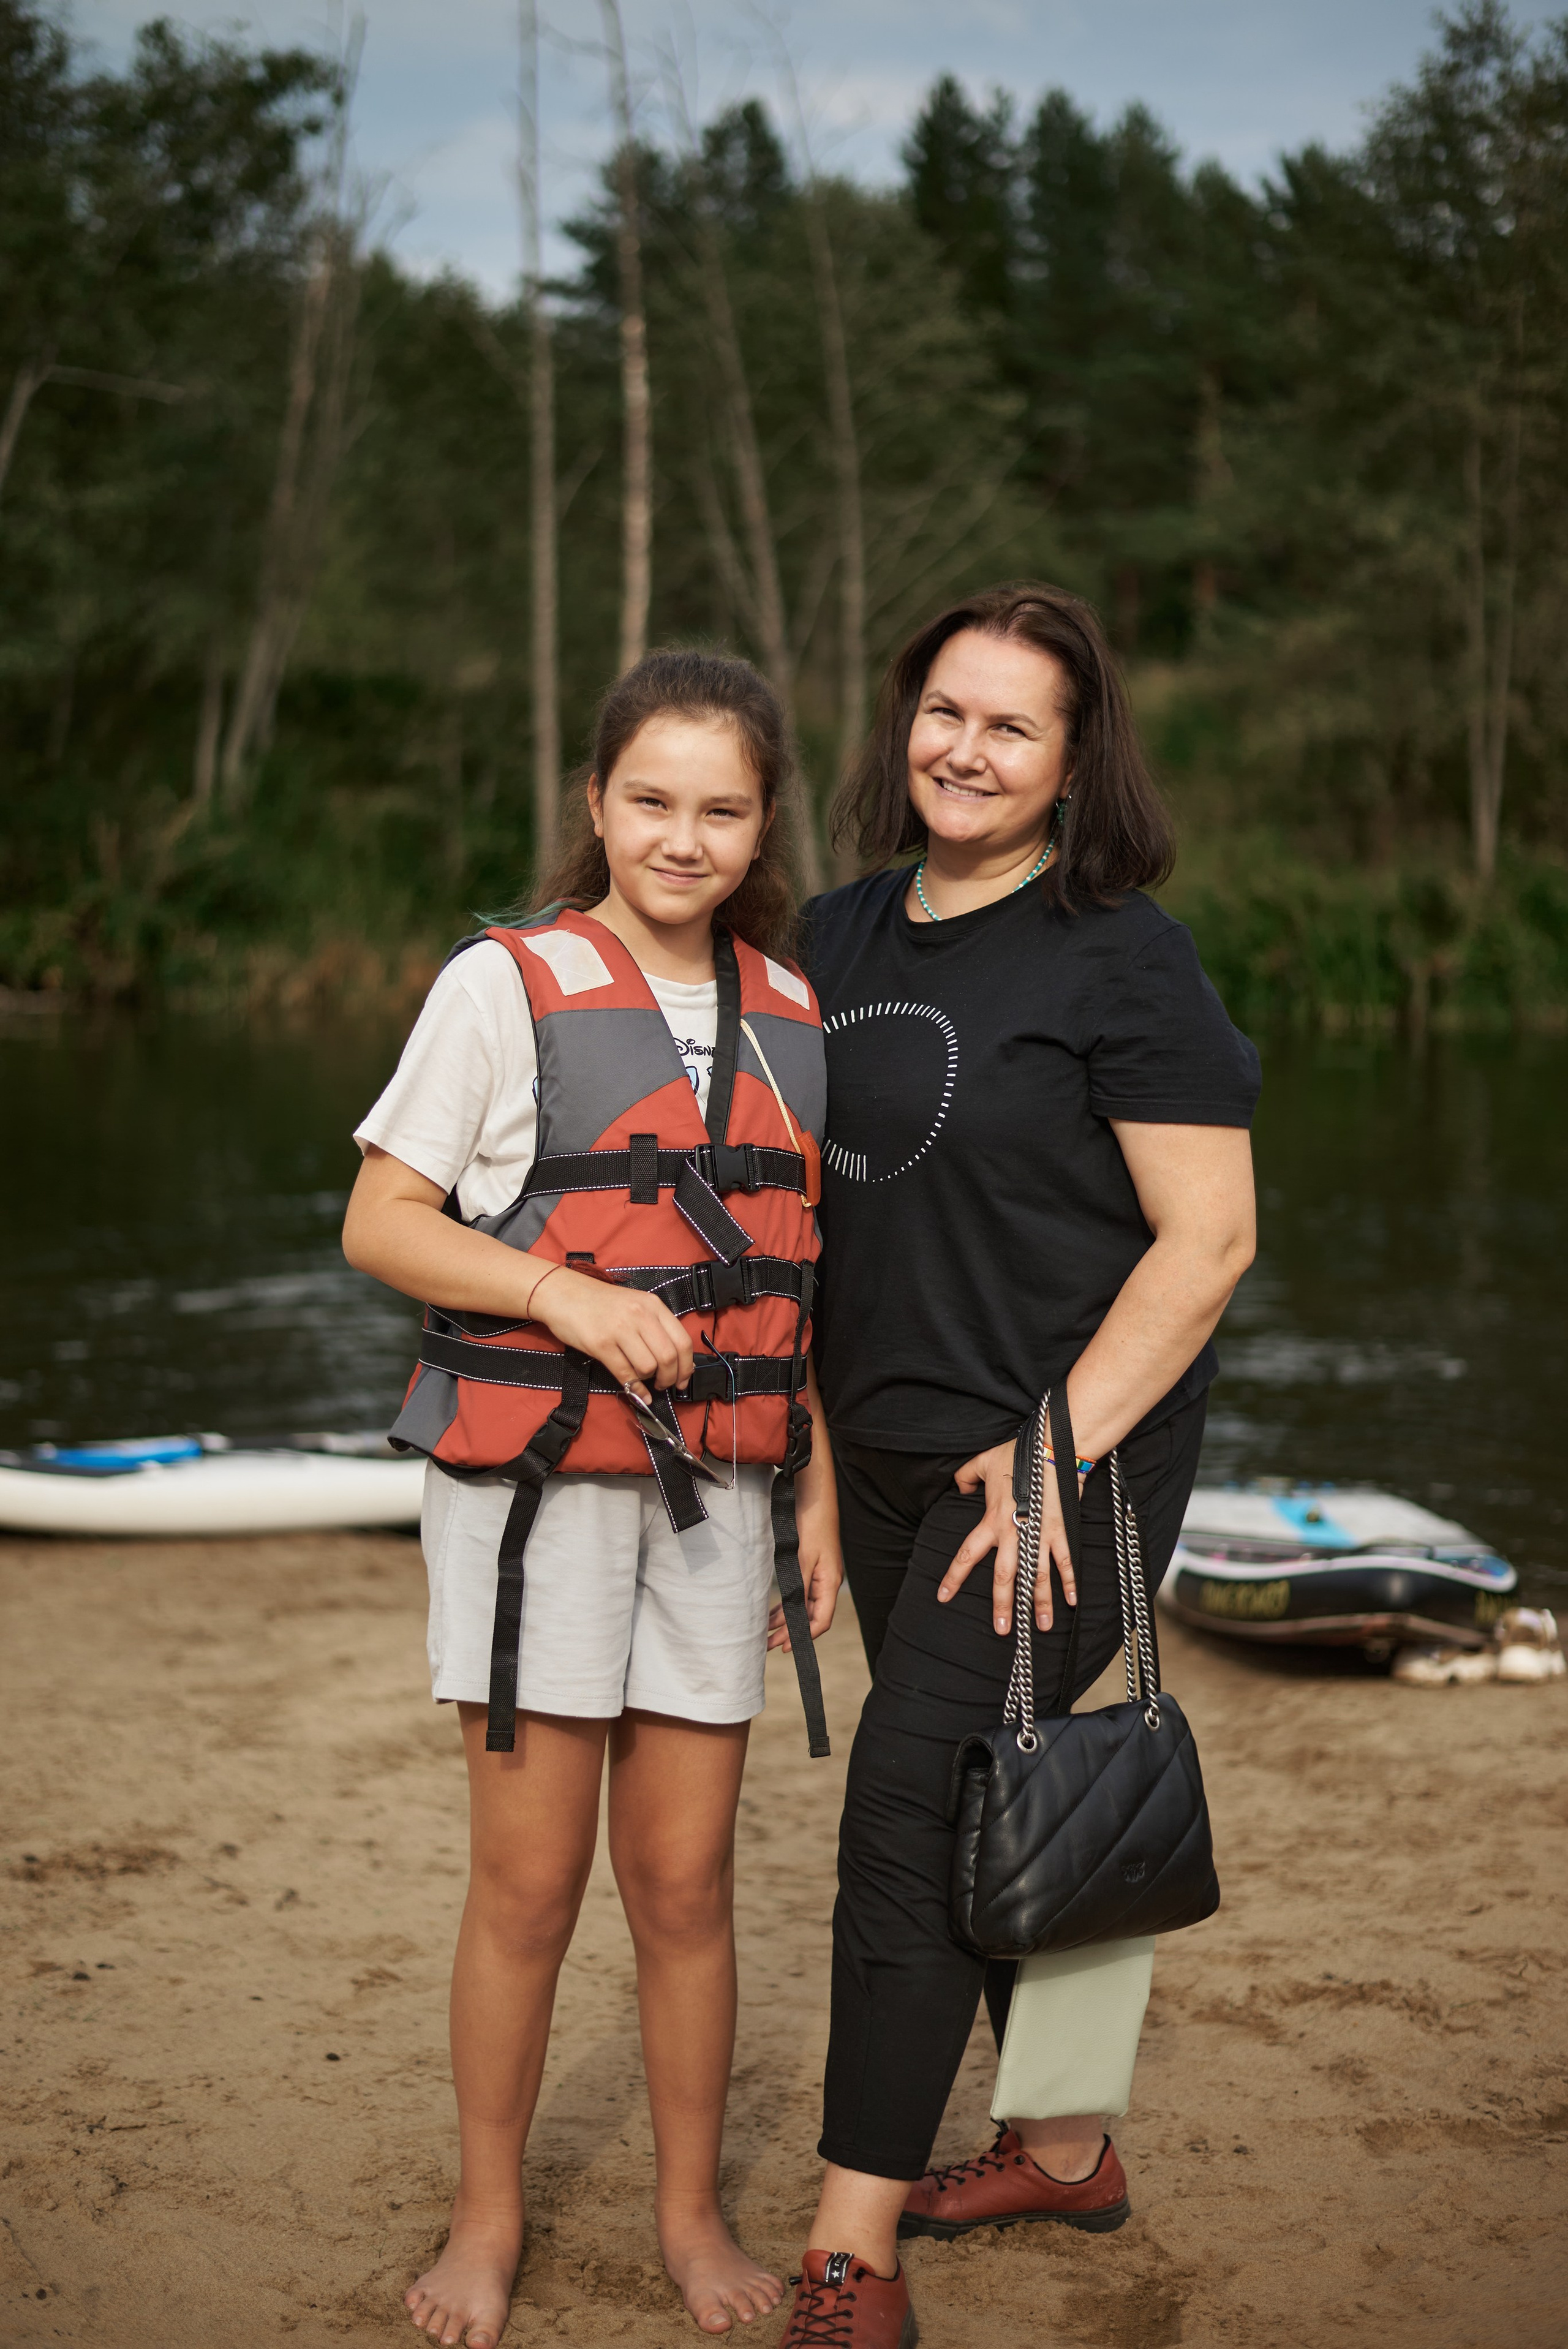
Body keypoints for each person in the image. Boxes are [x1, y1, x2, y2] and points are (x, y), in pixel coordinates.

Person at [775, 583, 1261, 2347]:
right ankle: (1063, 2147)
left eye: (1011, 725)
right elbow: (801, 1224)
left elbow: (1206, 1243)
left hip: (1068, 1472)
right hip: (888, 1459)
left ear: (1071, 764)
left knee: (907, 1816)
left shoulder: (1123, 955)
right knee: (1001, 1794)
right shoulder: (827, 937)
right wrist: (812, 1462)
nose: (964, 748)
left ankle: (851, 2254)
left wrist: (1052, 1455)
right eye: (943, 711)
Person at [342, 650, 843, 2348]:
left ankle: (690, 2214)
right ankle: (487, 2224)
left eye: (721, 807)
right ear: (595, 803)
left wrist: (820, 1493)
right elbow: (384, 1218)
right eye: (651, 800)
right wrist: (559, 1296)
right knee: (532, 1884)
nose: (682, 838)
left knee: (688, 1880)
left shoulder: (793, 1010)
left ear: (763, 819)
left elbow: (805, 1287)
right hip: (536, 1501)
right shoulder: (504, 986)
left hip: (725, 1498)